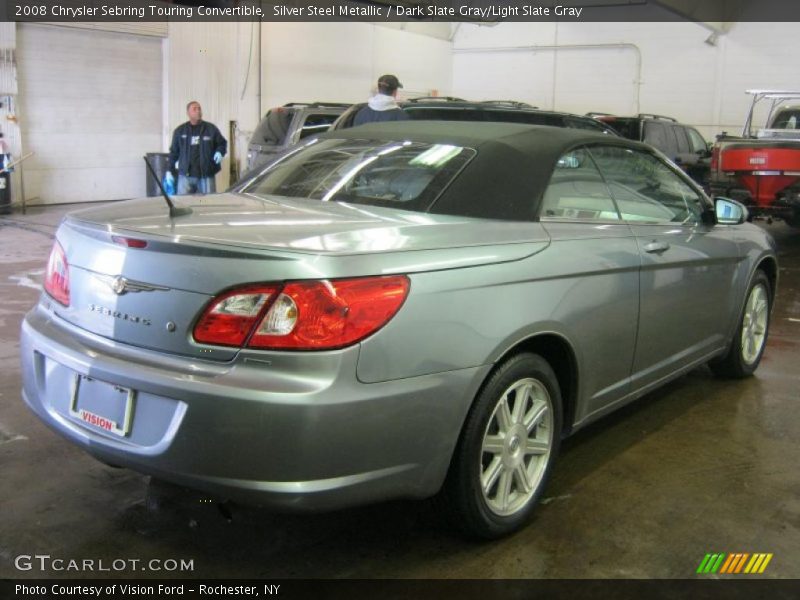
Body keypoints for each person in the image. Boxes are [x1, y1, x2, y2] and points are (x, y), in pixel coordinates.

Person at [166, 101, 227, 194]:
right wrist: (169, 170)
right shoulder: (180, 131)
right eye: (194, 109)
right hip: (185, 177)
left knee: (208, 204)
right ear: (188, 113)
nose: (198, 111)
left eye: (199, 108)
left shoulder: (211, 129)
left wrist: (220, 152)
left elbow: (222, 143)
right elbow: (174, 152)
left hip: (206, 176)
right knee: (183, 204)